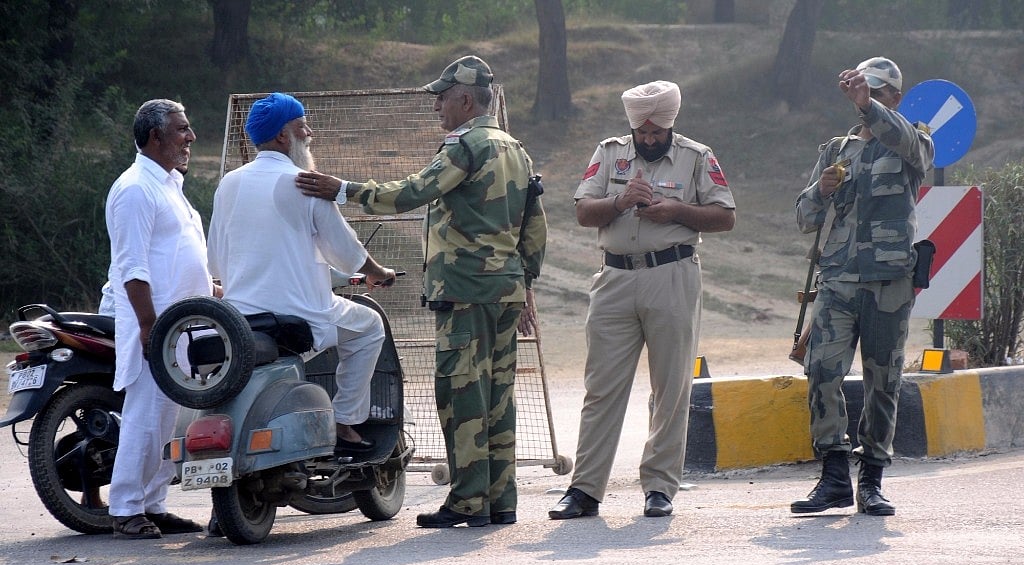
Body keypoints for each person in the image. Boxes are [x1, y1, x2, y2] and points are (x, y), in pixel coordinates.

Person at [295, 55, 546, 528]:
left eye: (442, 98)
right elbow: (535, 226)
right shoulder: (515, 147)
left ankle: (468, 502)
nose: (437, 108)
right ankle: (500, 499)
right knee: (498, 394)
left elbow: (416, 192)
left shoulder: (466, 146)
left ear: (465, 99)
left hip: (467, 291)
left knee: (461, 392)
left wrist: (344, 189)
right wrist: (525, 285)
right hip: (505, 291)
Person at [548, 80, 736, 520]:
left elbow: (726, 216)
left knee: (670, 387)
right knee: (601, 388)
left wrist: (676, 211)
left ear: (670, 126)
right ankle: (585, 489)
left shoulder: (696, 156)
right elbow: (581, 211)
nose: (649, 141)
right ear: (633, 128)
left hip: (672, 275)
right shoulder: (609, 152)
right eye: (643, 134)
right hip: (614, 277)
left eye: (657, 134)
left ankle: (659, 487)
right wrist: (620, 200)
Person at [207, 92, 396, 457]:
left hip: (239, 318)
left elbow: (215, 263)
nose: (309, 134)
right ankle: (344, 422)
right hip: (300, 317)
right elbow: (346, 253)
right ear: (283, 137)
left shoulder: (229, 183)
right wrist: (377, 272)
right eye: (301, 127)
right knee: (370, 327)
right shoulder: (306, 182)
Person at [790, 57, 934, 516]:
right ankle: (833, 475)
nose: (864, 97)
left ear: (895, 97)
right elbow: (803, 218)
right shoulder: (837, 150)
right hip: (838, 280)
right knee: (822, 372)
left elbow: (908, 142)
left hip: (888, 283)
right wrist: (822, 191)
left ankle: (871, 478)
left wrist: (870, 107)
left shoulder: (912, 142)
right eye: (861, 89)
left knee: (883, 380)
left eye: (877, 90)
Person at [105, 99, 213, 539]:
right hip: (158, 323)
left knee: (171, 417)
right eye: (182, 130)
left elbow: (176, 254)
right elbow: (133, 266)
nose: (190, 138)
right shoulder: (134, 189)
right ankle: (126, 507)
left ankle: (154, 503)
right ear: (155, 137)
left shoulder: (168, 183)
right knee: (147, 415)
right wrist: (150, 326)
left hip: (185, 322)